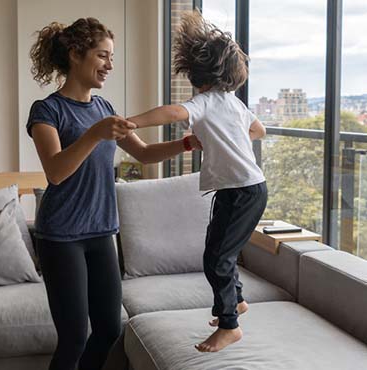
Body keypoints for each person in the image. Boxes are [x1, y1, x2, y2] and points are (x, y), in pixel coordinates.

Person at [27, 17, 202, 370]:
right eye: (102, 55)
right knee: (74, 336)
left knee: (108, 329)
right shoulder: (47, 110)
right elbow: (56, 172)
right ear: (76, 54)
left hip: (102, 231)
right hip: (61, 236)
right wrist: (94, 134)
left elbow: (145, 154)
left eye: (111, 57)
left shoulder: (105, 109)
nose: (109, 65)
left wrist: (187, 143)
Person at [127, 10, 267, 352]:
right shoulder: (234, 104)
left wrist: (132, 122)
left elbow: (174, 113)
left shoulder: (205, 102)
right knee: (220, 251)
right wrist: (232, 138)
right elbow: (259, 131)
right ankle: (236, 302)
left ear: (197, 73)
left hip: (241, 191)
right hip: (249, 189)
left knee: (216, 257)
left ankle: (230, 325)